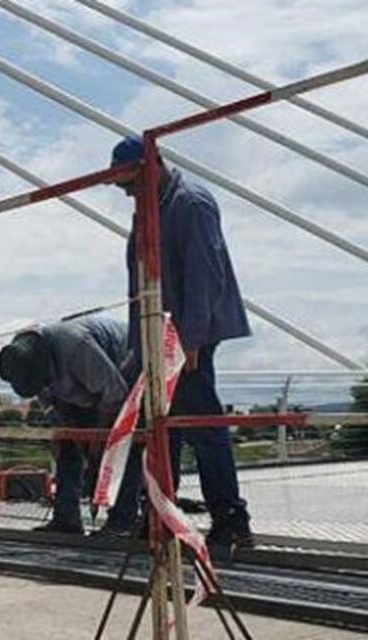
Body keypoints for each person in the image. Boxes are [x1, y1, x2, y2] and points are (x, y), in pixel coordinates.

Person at [110, 136, 254, 552]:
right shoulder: (150, 209)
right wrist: (139, 344)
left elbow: (204, 275)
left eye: (130, 184)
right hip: (159, 336)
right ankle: (161, 513)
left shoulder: (190, 204)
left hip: (185, 337)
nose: (128, 193)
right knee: (161, 429)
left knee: (202, 426)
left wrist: (190, 340)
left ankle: (231, 518)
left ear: (150, 166)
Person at [0, 317, 141, 535]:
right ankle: (67, 519)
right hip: (83, 391)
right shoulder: (21, 357)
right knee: (66, 445)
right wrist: (65, 431)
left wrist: (98, 438)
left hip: (124, 372)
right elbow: (51, 403)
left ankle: (123, 520)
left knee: (123, 446)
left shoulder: (76, 347)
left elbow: (115, 394)